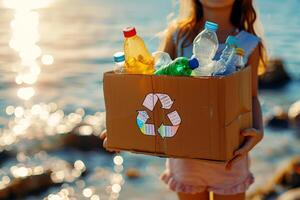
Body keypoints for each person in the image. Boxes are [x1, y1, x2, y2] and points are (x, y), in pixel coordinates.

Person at [101, 0, 267, 199]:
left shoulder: (248, 43)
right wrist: (123, 129)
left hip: (231, 154)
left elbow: (252, 96)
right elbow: (152, 86)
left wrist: (258, 132)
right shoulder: (179, 36)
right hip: (184, 155)